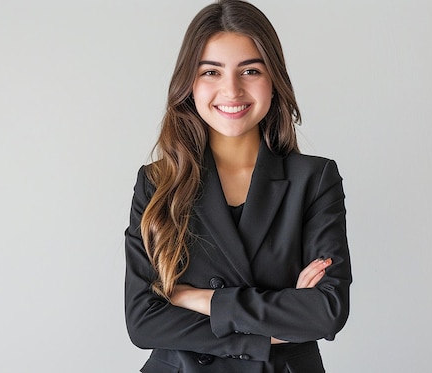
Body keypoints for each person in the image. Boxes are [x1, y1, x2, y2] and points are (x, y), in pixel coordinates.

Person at [124, 1, 352, 372]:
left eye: (249, 70)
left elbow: (326, 312)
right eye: (211, 72)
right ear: (189, 85)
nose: (231, 90)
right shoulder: (156, 183)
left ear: (273, 80)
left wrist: (201, 299)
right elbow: (143, 322)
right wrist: (278, 320)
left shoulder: (314, 179)